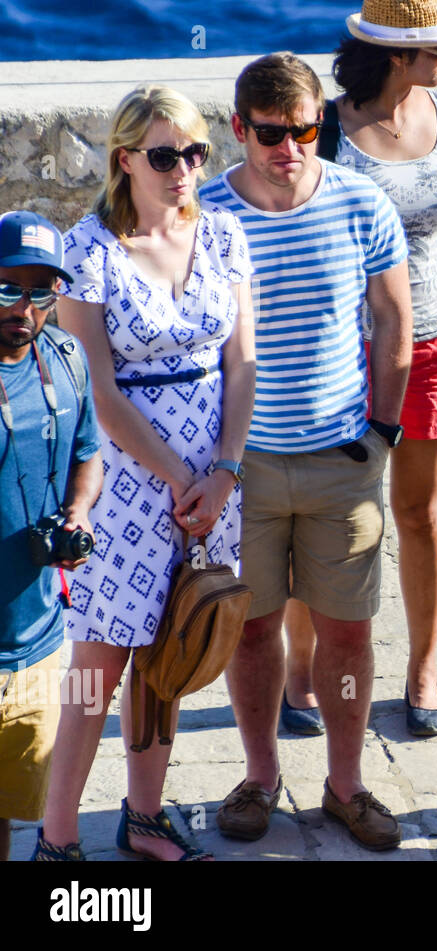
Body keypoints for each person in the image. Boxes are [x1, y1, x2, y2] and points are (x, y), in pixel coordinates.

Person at [201, 52, 413, 851]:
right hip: (241, 464)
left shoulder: (362, 203)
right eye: (270, 134)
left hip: (341, 461)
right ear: (239, 129)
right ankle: (260, 775)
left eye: (304, 130)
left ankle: (345, 782)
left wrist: (382, 432)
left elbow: (395, 321)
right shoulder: (208, 213)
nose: (289, 148)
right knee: (250, 631)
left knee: (349, 633)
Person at [39, 86, 255, 861]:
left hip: (214, 479)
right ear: (125, 159)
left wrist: (224, 470)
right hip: (131, 481)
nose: (184, 170)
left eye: (196, 154)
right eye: (165, 156)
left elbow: (242, 366)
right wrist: (176, 475)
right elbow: (98, 387)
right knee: (98, 664)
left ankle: (143, 814)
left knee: (174, 647)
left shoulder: (225, 236)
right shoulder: (87, 252)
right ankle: (59, 834)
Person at [277, 0, 437, 739]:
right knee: (327, 513)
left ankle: (423, 669)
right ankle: (300, 667)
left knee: (419, 513)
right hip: (343, 351)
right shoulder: (328, 131)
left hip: (435, 342)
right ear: (397, 55)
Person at [0, 212, 102, 862]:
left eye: (41, 292)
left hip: (36, 644)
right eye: (8, 288)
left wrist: (79, 511)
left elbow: (89, 451)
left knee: (9, 814)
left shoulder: (66, 360)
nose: (25, 307)